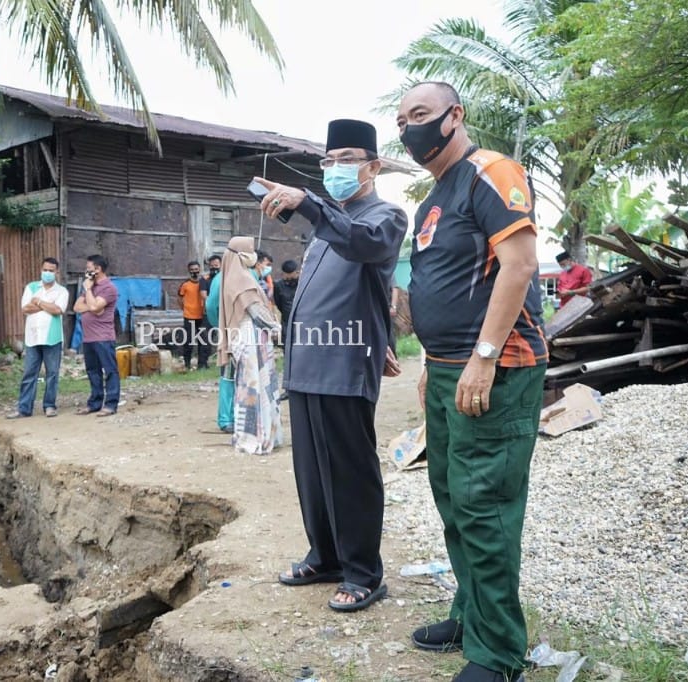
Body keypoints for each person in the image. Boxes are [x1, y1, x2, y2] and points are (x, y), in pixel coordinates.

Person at [396, 82, 547, 682]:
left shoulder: (491, 171)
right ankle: (471, 614)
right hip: (446, 370)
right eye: (402, 119)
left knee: (485, 505)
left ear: (455, 116)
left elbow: (520, 265)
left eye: (422, 114)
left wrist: (483, 355)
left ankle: (499, 652)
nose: (410, 128)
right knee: (453, 499)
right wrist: (433, 362)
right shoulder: (434, 197)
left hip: (497, 367)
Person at [252, 119, 406, 615]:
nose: (336, 168)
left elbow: (363, 245)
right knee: (313, 470)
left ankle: (363, 573)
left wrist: (311, 205)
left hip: (344, 361)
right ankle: (325, 557)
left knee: (349, 470)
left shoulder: (385, 216)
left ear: (373, 166)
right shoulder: (324, 228)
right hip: (307, 363)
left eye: (347, 158)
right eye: (329, 159)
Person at [216, 236, 282, 454]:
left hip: (245, 337)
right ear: (242, 255)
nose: (254, 255)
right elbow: (255, 312)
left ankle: (253, 434)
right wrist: (275, 326)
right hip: (250, 336)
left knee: (250, 385)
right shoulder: (242, 279)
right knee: (255, 386)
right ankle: (256, 437)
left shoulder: (234, 277)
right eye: (251, 251)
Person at [7, 257, 69, 419]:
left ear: (57, 272)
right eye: (45, 270)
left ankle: (49, 406)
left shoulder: (62, 291)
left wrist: (39, 302)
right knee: (29, 373)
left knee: (52, 373)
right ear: (41, 270)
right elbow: (25, 308)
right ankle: (24, 408)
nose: (47, 273)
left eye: (51, 270)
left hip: (53, 338)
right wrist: (47, 305)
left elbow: (58, 310)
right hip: (33, 337)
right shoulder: (31, 287)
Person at [72, 254, 120, 417]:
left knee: (110, 370)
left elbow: (95, 307)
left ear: (98, 269)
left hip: (104, 337)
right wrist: (91, 304)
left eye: (89, 269)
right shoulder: (91, 287)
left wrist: (88, 293)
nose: (87, 272)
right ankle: (95, 403)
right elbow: (77, 307)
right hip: (88, 337)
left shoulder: (109, 288)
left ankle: (111, 404)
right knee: (93, 371)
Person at [204, 265, 233, 433]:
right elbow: (211, 305)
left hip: (238, 333)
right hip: (232, 333)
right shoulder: (224, 277)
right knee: (229, 375)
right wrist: (221, 325)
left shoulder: (222, 277)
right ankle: (226, 419)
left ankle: (237, 417)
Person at [177, 260, 209, 370]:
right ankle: (187, 363)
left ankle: (202, 364)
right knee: (188, 341)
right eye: (192, 270)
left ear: (199, 269)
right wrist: (185, 308)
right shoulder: (185, 284)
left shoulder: (203, 283)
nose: (194, 272)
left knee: (203, 341)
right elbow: (179, 298)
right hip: (189, 316)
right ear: (189, 271)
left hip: (201, 316)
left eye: (196, 269)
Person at [273, 259, 300, 343]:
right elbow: (278, 303)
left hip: (302, 319)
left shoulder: (302, 284)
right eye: (287, 275)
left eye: (292, 275)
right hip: (287, 320)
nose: (289, 278)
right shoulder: (279, 285)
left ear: (296, 272)